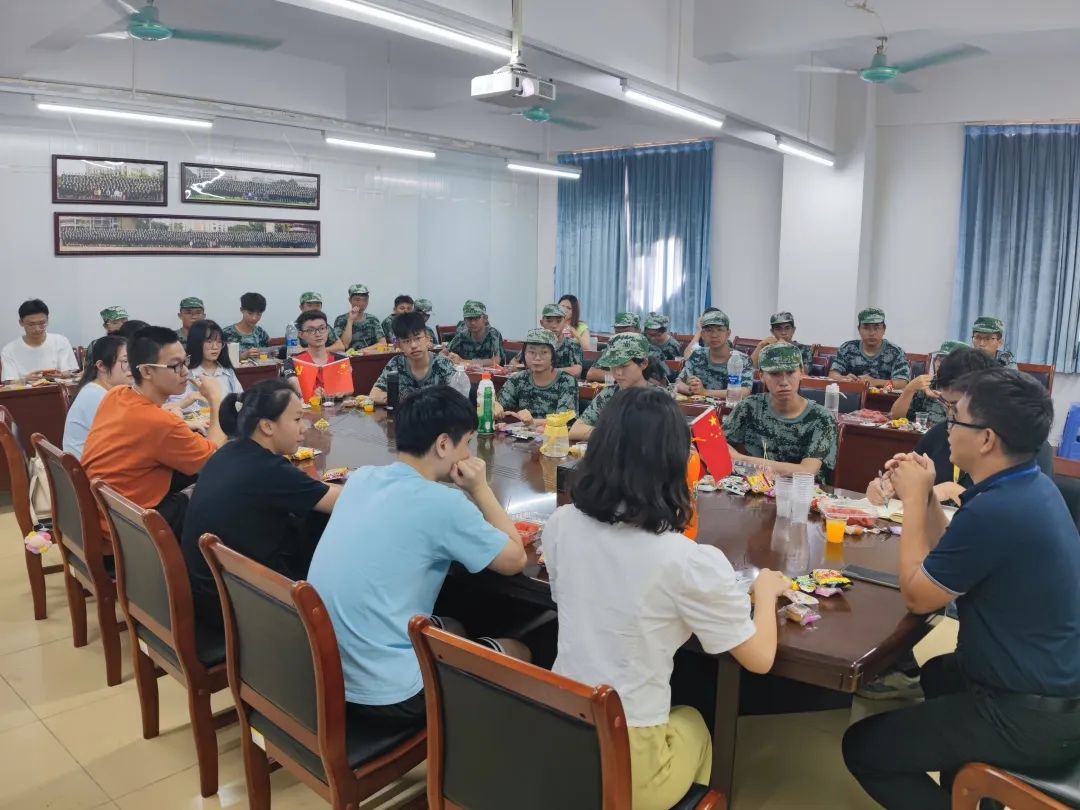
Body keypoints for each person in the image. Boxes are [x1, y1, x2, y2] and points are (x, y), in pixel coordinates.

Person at [543, 387, 791, 810]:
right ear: (677, 465)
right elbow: (760, 659)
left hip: (557, 731)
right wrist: (765, 593)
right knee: (695, 722)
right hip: (629, 763)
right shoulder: (685, 560)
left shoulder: (561, 523)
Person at [843, 368, 1080, 810]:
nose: (947, 428)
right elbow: (948, 554)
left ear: (986, 439)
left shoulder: (1000, 509)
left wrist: (913, 501)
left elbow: (919, 596)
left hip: (1031, 716)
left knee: (863, 748)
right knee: (939, 673)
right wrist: (928, 495)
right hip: (1054, 687)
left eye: (956, 418)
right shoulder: (1026, 486)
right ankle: (970, 795)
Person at [307, 386, 527, 734]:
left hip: (325, 675)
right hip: (390, 696)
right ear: (443, 444)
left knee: (452, 624)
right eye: (466, 443)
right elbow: (515, 559)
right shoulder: (443, 503)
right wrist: (480, 488)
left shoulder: (362, 478)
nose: (468, 454)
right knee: (520, 651)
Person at [182, 380, 342, 630]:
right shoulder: (268, 469)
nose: (304, 427)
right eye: (297, 419)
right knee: (327, 520)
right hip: (242, 609)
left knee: (310, 514)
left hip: (212, 593)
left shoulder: (228, 452)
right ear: (267, 426)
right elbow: (343, 502)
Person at [81, 326, 226, 536]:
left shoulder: (117, 394)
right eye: (175, 366)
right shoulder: (159, 423)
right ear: (146, 371)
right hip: (133, 528)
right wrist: (216, 399)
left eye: (185, 361)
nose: (185, 372)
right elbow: (215, 461)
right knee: (224, 488)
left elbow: (146, 429)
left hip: (105, 513)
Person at [870, 347, 1054, 507]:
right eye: (945, 403)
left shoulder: (1023, 445)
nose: (950, 414)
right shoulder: (941, 432)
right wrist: (888, 486)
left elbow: (1017, 510)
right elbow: (906, 479)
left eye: (956, 406)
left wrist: (955, 493)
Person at [723, 343, 838, 481]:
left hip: (801, 492)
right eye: (774, 373)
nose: (784, 382)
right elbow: (715, 445)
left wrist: (741, 460)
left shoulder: (821, 418)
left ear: (801, 372)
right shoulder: (750, 407)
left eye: (790, 372)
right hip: (753, 489)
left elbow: (807, 471)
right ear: (761, 376)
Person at [570, 333, 668, 441]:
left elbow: (667, 438)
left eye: (624, 366)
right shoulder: (609, 394)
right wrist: (616, 435)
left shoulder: (661, 398)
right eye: (613, 365)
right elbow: (576, 430)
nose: (618, 373)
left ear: (643, 363)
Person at [370, 312, 469, 404]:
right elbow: (375, 394)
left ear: (427, 338)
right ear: (399, 345)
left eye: (417, 338)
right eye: (406, 341)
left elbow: (458, 399)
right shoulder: (395, 364)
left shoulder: (443, 364)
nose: (413, 345)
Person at [62, 335, 131, 460]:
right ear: (101, 366)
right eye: (126, 361)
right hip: (92, 469)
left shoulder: (99, 390)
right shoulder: (96, 396)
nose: (132, 367)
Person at [495, 329, 580, 423]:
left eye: (544, 352)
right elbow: (499, 407)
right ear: (524, 354)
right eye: (532, 352)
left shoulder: (567, 381)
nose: (537, 358)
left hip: (553, 432)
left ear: (553, 356)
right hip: (521, 431)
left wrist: (533, 422)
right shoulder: (517, 379)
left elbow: (564, 420)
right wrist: (495, 406)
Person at [889, 341, 970, 426]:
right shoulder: (927, 385)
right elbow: (895, 417)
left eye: (948, 360)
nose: (940, 364)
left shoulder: (970, 393)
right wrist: (909, 389)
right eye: (939, 359)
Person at [675, 310, 753, 399]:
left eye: (720, 330)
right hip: (700, 405)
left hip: (729, 406)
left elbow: (745, 392)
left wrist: (704, 392)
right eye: (709, 330)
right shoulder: (697, 355)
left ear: (728, 334)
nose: (714, 335)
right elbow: (678, 382)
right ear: (702, 334)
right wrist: (691, 389)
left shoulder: (742, 359)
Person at [829, 307, 910, 389]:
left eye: (876, 328)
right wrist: (842, 378)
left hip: (883, 396)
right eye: (866, 328)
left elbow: (902, 383)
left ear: (884, 329)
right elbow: (833, 374)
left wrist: (876, 382)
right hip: (851, 395)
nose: (872, 333)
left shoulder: (896, 352)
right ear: (859, 329)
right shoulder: (847, 348)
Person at [0, 299, 78, 381]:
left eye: (42, 323)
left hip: (57, 387)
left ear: (47, 320)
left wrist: (61, 375)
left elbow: (70, 373)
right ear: (21, 323)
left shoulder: (61, 342)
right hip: (26, 389)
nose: (37, 329)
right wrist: (25, 379)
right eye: (31, 324)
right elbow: (9, 382)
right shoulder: (9, 350)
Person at [283, 311, 349, 398]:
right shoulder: (292, 361)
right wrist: (312, 392)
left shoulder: (340, 360)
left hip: (337, 405)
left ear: (327, 331)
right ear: (301, 334)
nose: (318, 334)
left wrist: (342, 391)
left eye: (322, 328)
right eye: (311, 330)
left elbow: (348, 389)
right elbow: (294, 383)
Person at [180, 320, 243, 408]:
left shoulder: (228, 371)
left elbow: (241, 401)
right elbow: (185, 408)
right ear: (196, 343)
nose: (215, 347)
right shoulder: (187, 374)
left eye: (219, 342)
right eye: (209, 341)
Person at [508, 305, 584, 378]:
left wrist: (545, 371)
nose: (554, 326)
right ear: (542, 323)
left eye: (558, 321)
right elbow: (513, 363)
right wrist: (531, 369)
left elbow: (576, 371)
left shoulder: (573, 344)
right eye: (549, 321)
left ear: (565, 323)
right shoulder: (535, 342)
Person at [446, 301, 504, 367]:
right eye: (469, 319)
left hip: (489, 373)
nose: (472, 322)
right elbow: (443, 352)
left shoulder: (493, 334)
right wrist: (450, 357)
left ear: (485, 318)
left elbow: (496, 361)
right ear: (464, 320)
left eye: (476, 318)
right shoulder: (462, 336)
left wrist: (463, 361)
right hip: (466, 372)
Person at [334, 284, 386, 353]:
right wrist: (350, 320)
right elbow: (344, 345)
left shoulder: (373, 319)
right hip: (349, 357)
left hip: (369, 356)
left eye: (365, 300)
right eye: (357, 300)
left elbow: (383, 343)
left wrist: (362, 351)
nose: (361, 303)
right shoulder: (340, 320)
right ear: (350, 300)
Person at [222, 292, 270, 359]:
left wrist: (271, 354)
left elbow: (266, 356)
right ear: (242, 310)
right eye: (250, 313)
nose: (254, 318)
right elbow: (220, 359)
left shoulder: (261, 334)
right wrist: (242, 356)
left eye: (258, 314)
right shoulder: (227, 333)